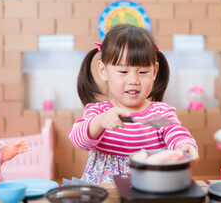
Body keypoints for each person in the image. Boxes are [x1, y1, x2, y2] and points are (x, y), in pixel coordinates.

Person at [69, 24, 198, 183]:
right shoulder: (98, 112)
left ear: (154, 72)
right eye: (123, 72)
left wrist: (184, 145)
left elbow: (175, 132)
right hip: (106, 190)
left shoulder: (158, 114)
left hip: (149, 186)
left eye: (143, 72)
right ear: (103, 71)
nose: (134, 81)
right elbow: (78, 140)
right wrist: (99, 122)